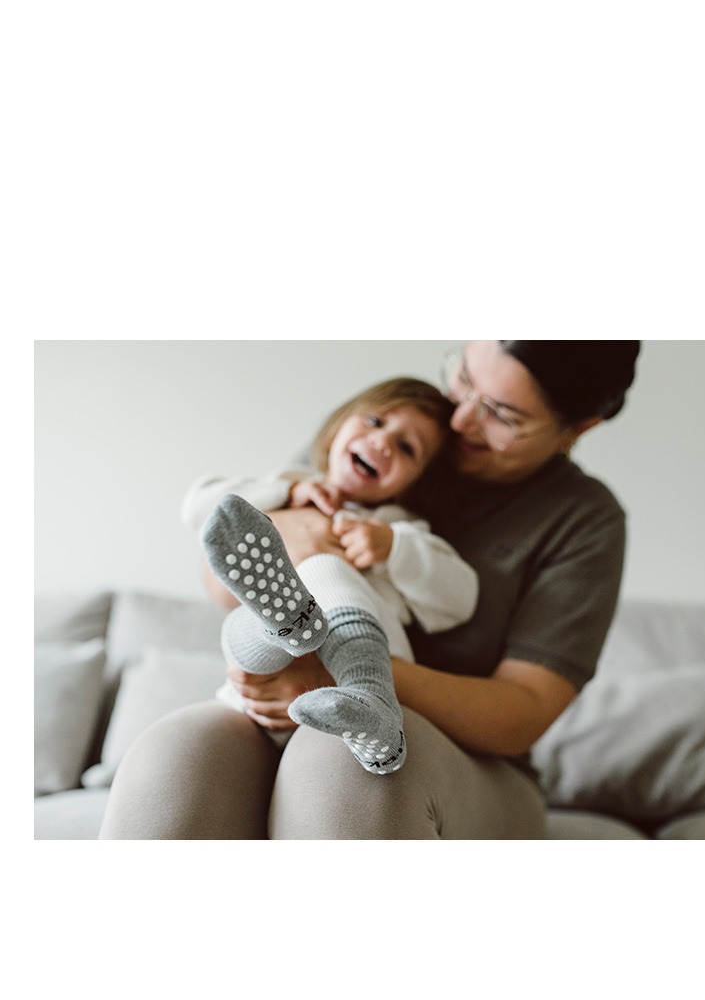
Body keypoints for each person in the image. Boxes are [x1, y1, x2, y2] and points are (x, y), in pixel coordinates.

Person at [100, 340, 640, 841]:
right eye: (464, 377)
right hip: (282, 701)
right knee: (172, 758)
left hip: (478, 764)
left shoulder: (582, 521)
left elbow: (520, 714)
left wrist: (338, 670)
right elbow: (220, 571)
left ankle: (361, 696)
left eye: (502, 413)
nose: (459, 418)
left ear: (579, 428)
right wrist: (294, 527)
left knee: (340, 764)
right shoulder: (388, 429)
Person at [192, 379, 479, 775]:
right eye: (375, 421)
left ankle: (368, 695)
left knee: (323, 567)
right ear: (340, 423)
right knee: (254, 615)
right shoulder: (289, 485)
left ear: (418, 483)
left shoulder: (399, 527)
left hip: (354, 676)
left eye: (406, 447)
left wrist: (393, 546)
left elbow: (460, 599)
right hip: (257, 692)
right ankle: (286, 626)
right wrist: (286, 493)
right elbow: (202, 508)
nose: (382, 442)